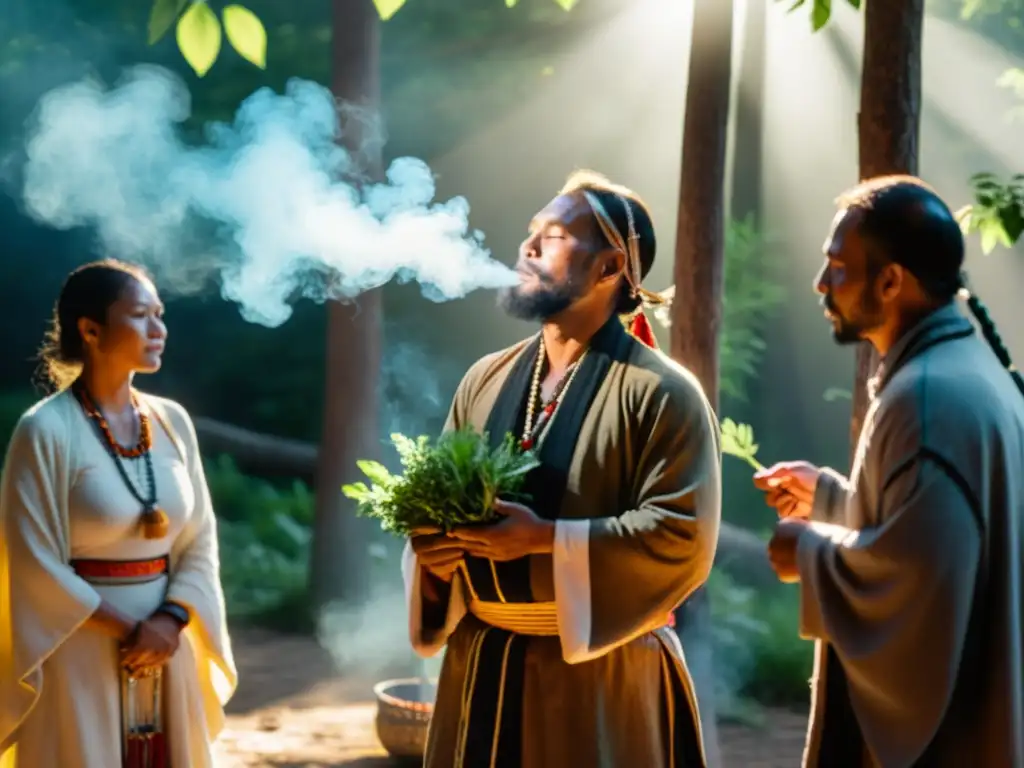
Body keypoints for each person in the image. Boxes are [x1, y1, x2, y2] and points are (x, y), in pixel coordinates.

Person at [401, 170, 722, 767]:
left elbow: (683, 537)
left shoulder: (664, 394)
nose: (527, 248)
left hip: (600, 681)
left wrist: (545, 540)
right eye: (531, 232)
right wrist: (435, 558)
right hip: (481, 665)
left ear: (608, 269)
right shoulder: (485, 379)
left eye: (554, 235)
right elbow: (434, 505)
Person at [754, 175, 1024, 767]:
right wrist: (829, 500)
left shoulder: (926, 397)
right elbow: (935, 528)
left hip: (954, 739)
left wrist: (809, 551)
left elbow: (921, 582)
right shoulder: (965, 370)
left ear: (891, 280)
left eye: (837, 268)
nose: (821, 284)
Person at [0, 259, 237, 768]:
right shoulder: (44, 431)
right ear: (90, 329)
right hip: (79, 647)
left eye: (160, 313)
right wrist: (133, 632)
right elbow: (31, 560)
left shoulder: (172, 421)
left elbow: (199, 539)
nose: (159, 329)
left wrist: (171, 621)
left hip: (167, 645)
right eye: (140, 315)